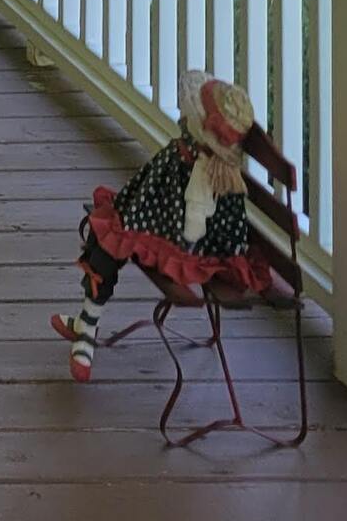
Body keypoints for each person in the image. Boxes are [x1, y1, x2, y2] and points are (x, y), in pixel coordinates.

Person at [53, 73, 276, 382]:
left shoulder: (201, 169)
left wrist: (171, 243)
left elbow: (195, 223)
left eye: (191, 112)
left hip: (180, 241)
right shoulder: (193, 153)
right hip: (160, 214)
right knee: (111, 227)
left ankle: (87, 327)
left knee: (112, 236)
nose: (184, 115)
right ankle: (85, 323)